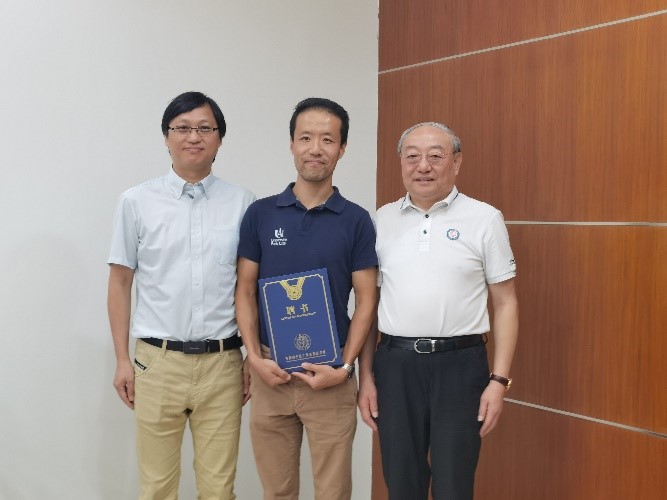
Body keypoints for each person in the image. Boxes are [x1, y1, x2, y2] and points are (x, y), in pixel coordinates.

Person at [358, 122, 519, 500]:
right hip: (395, 366)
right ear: (401, 162)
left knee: (454, 485)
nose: (423, 166)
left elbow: (506, 303)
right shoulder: (381, 220)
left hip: (461, 366)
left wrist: (499, 381)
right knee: (401, 482)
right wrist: (365, 377)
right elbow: (369, 306)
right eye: (412, 156)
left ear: (456, 162)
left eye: (435, 156)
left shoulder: (485, 218)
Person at [107, 91, 255, 499]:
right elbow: (119, 283)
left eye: (205, 128)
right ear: (166, 137)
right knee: (157, 487)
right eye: (183, 128)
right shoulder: (136, 202)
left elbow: (250, 287)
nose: (194, 137)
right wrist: (122, 359)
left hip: (223, 363)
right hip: (156, 362)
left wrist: (253, 356)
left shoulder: (243, 203)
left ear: (219, 138)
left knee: (219, 489)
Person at [235, 97, 378, 500]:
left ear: (342, 149)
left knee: (333, 492)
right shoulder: (261, 214)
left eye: (327, 139)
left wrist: (345, 368)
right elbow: (244, 289)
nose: (316, 149)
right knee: (276, 492)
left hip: (331, 377)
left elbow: (367, 301)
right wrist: (254, 357)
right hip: (271, 374)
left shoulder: (356, 220)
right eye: (306, 138)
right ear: (292, 144)